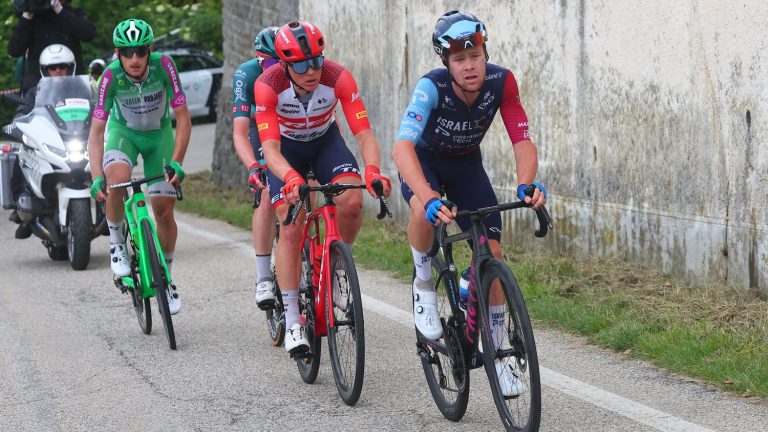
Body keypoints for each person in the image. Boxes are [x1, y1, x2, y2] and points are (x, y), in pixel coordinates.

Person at [391, 10, 547, 397]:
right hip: (424, 163)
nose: (470, 65)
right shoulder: (431, 88)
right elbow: (401, 147)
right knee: (422, 216)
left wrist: (525, 184)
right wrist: (427, 197)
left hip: (465, 166)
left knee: (491, 253)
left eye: (475, 55)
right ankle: (424, 283)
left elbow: (522, 138)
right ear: (446, 62)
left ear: (484, 51)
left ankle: (499, 355)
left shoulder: (501, 82)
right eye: (459, 59)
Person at [255, 20, 392, 355]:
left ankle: (337, 266)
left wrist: (373, 169)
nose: (311, 70)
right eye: (301, 64)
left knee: (353, 201)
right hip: (286, 150)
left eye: (316, 60)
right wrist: (290, 178)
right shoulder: (268, 84)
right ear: (285, 64)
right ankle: (293, 321)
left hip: (325, 142)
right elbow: (270, 150)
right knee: (289, 222)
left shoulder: (337, 76)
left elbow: (363, 133)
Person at [87, 19, 191, 315]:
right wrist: (97, 177)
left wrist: (177, 163)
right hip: (124, 134)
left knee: (163, 209)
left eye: (140, 51)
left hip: (159, 136)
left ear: (150, 50)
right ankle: (117, 243)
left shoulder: (165, 66)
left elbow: (183, 118)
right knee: (116, 181)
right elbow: (96, 132)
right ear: (118, 53)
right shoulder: (110, 75)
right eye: (127, 52)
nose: (134, 59)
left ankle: (165, 277)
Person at [232, 26, 281, 309]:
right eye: (271, 64)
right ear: (259, 59)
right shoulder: (247, 74)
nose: (276, 71)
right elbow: (239, 132)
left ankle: (309, 261)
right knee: (267, 193)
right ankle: (263, 276)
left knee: (307, 190)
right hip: (257, 126)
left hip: (288, 123)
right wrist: (253, 165)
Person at [9, 43, 78, 240]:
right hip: (49, 143)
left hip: (74, 141)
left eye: (63, 66)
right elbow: (22, 113)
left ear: (71, 67)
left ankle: (111, 204)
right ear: (44, 70)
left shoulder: (82, 89)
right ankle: (20, 210)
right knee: (21, 157)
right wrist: (19, 124)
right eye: (52, 68)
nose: (58, 71)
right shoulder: (35, 93)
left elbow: (97, 109)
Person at [7, 0, 95, 97]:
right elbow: (14, 50)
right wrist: (27, 15)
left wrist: (58, 9)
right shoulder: (32, 19)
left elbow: (88, 34)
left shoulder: (72, 13)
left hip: (72, 84)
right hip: (38, 89)